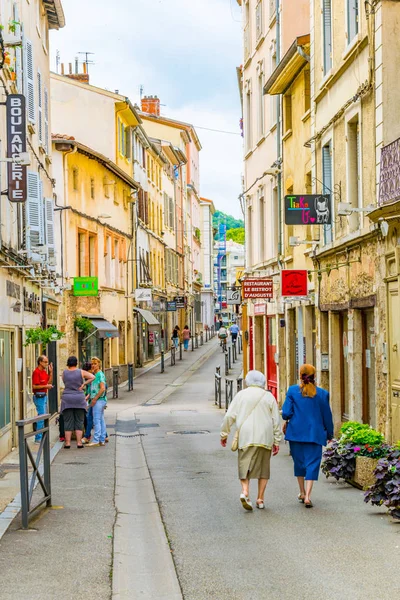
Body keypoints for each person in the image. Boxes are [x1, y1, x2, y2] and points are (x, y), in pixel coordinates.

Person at [220, 370, 281, 511]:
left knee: (244, 465)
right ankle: (260, 499)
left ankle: (245, 491)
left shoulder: (241, 395)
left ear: (247, 381)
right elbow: (276, 420)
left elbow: (229, 416)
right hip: (264, 436)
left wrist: (224, 434)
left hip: (245, 436)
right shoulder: (268, 396)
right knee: (263, 468)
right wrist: (277, 441)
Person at [282, 364, 334, 508]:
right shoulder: (323, 394)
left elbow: (286, 413)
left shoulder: (292, 391)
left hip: (295, 433)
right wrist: (330, 434)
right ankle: (308, 496)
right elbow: (327, 416)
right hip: (315, 434)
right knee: (312, 464)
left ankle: (302, 491)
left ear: (300, 375)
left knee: (299, 463)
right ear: (314, 376)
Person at [61, 356, 94, 449]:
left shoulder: (64, 373)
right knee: (79, 421)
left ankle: (67, 443)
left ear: (68, 363)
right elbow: (92, 377)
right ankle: (79, 443)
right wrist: (84, 384)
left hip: (67, 398)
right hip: (79, 398)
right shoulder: (81, 372)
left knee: (68, 421)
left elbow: (64, 382)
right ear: (76, 363)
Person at [86, 357, 107, 448]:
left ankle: (96, 440)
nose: (93, 365)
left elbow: (102, 388)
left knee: (96, 420)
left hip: (99, 400)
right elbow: (94, 388)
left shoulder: (100, 375)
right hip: (99, 400)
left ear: (99, 365)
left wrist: (95, 399)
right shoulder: (95, 374)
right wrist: (89, 396)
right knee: (101, 420)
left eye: (95, 364)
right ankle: (102, 439)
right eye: (92, 364)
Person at [32, 355, 53, 444]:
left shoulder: (44, 372)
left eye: (47, 362)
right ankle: (38, 438)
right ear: (40, 362)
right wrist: (45, 386)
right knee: (41, 416)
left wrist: (51, 372)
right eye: (45, 362)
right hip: (38, 396)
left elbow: (49, 382)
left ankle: (41, 436)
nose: (46, 363)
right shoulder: (36, 372)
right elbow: (34, 386)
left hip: (44, 396)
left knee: (42, 416)